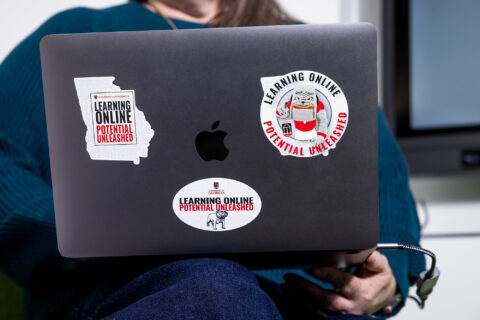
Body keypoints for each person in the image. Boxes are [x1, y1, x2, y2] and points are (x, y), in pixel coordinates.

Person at [0, 0, 425, 319]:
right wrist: (83, 233)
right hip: (134, 294)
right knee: (213, 289)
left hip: (304, 300)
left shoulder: (315, 51)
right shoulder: (80, 33)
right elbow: (5, 168)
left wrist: (388, 284)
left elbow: (379, 185)